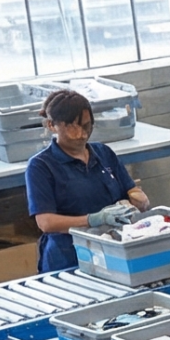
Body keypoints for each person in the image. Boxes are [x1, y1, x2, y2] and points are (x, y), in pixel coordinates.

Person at [24, 87, 150, 272]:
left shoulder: (103, 153)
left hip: (111, 251)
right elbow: (46, 223)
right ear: (52, 125)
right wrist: (94, 219)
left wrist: (138, 198)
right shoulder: (41, 166)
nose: (81, 134)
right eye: (70, 127)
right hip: (69, 257)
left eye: (86, 126)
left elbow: (129, 189)